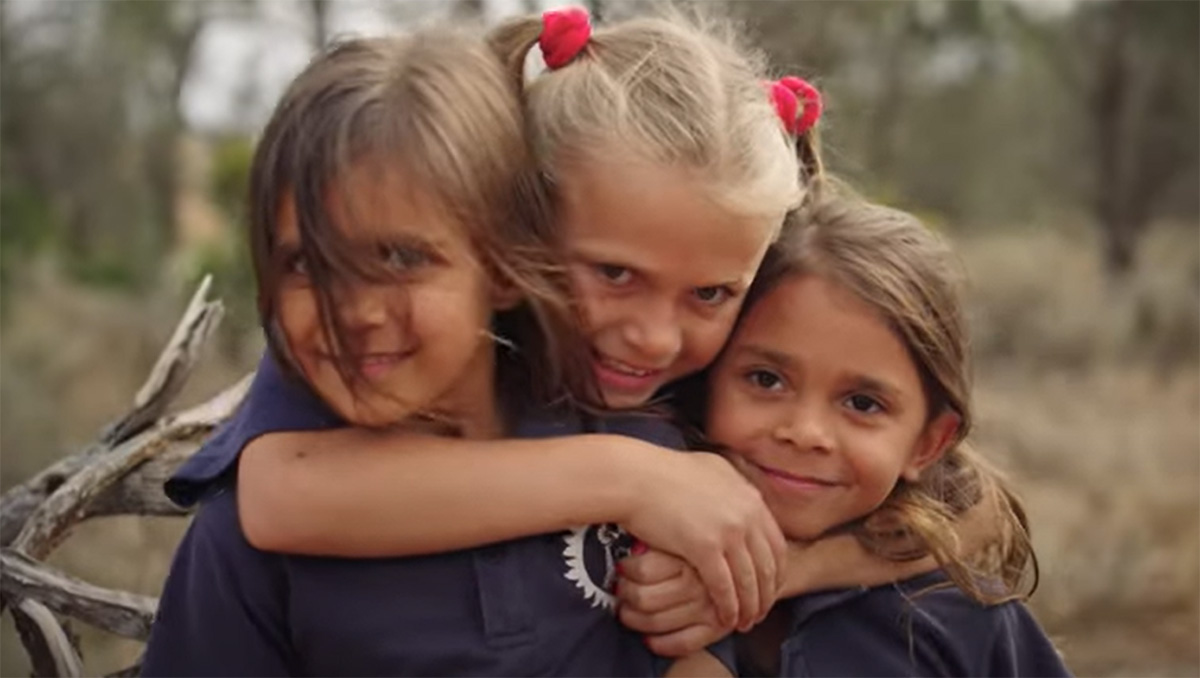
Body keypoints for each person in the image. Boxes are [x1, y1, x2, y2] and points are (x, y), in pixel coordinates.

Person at [143, 27, 731, 676]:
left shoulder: (657, 431)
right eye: (308, 263)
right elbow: (275, 494)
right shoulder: (244, 549)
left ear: (507, 263)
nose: (355, 312)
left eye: (401, 258)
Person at [648, 193, 1072, 676]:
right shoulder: (617, 568)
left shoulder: (961, 624)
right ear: (707, 380)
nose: (806, 434)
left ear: (927, 444)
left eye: (863, 404)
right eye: (766, 379)